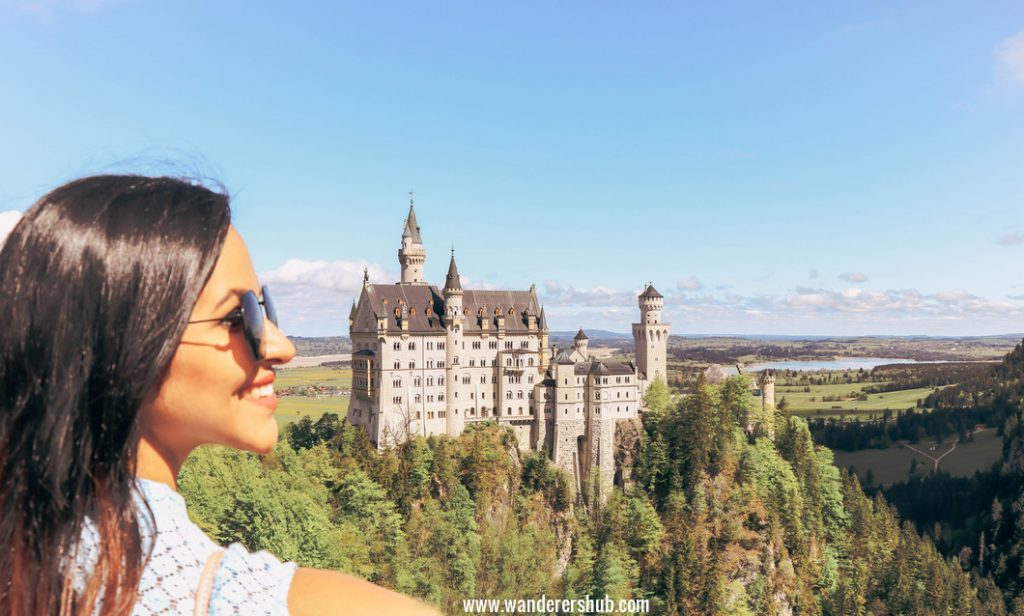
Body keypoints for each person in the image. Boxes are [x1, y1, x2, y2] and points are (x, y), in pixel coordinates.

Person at [0, 175, 438, 616]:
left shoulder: (26, 556)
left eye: (263, 306)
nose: (281, 346)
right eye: (236, 316)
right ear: (124, 345)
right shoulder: (246, 599)